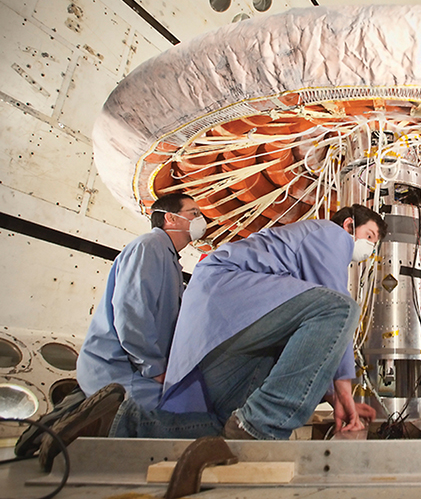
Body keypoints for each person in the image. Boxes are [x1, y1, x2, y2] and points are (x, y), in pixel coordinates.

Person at [39, 204, 387, 470]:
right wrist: (344, 390)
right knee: (340, 307)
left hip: (233, 334)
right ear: (349, 225)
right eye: (370, 237)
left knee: (223, 424)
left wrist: (334, 396)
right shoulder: (330, 235)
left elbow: (314, 344)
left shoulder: (305, 264)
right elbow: (334, 304)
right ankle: (263, 427)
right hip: (231, 303)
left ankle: (112, 424)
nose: (369, 247)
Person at [74, 193, 205, 409]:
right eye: (194, 213)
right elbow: (132, 313)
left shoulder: (169, 259)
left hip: (138, 368)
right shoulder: (149, 246)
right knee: (188, 418)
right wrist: (154, 368)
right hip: (119, 371)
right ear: (170, 218)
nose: (200, 220)